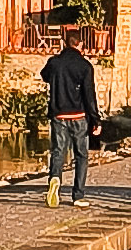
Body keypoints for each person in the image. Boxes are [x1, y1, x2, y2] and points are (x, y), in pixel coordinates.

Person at [42, 28, 98, 205]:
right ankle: (78, 195)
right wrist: (96, 119)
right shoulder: (85, 66)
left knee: (58, 151)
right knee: (81, 155)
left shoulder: (54, 63)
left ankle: (55, 179)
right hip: (79, 116)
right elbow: (89, 95)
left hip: (59, 114)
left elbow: (45, 76)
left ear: (65, 43)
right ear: (80, 44)